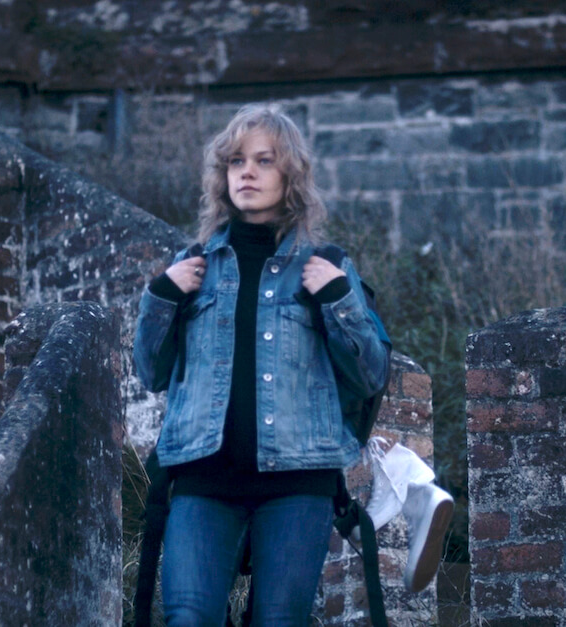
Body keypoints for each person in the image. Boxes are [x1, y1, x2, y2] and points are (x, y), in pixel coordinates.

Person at [132, 103, 391, 626]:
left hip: (298, 483)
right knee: (188, 617)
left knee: (279, 620)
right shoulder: (194, 265)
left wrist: (339, 300)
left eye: (264, 160)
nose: (246, 172)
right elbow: (151, 373)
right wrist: (159, 298)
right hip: (204, 478)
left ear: (291, 174)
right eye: (235, 161)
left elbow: (370, 376)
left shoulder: (329, 266)